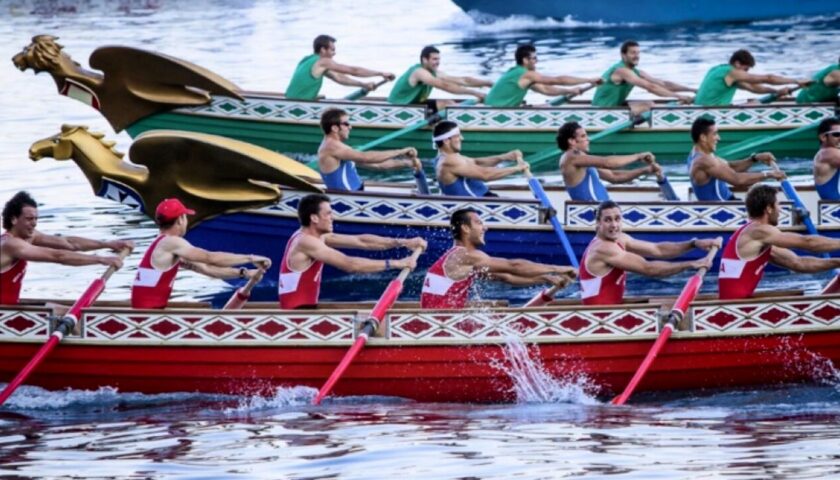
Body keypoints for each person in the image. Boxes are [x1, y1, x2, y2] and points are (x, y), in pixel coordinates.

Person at [279, 193, 427, 309]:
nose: (333, 218)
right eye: (328, 214)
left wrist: (404, 242)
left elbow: (361, 241)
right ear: (314, 218)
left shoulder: (319, 237)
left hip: (306, 311)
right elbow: (349, 264)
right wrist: (398, 263)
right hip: (297, 316)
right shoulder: (306, 241)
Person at [420, 208, 576, 309]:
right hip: (442, 326)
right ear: (465, 228)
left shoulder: (457, 258)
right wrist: (560, 268)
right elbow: (513, 266)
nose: (485, 228)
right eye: (479, 223)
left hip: (439, 322)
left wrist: (546, 278)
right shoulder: (464, 255)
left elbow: (506, 277)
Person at [131, 198, 270, 309]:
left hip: (148, 310)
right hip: (148, 314)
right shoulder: (171, 243)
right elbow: (210, 258)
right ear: (180, 219)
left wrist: (244, 273)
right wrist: (250, 258)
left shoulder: (164, 245)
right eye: (185, 217)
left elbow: (207, 269)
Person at [1, 191, 132, 305]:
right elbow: (57, 256)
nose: (34, 223)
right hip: (5, 314)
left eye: (36, 219)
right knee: (59, 311)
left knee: (57, 309)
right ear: (13, 219)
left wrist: (107, 244)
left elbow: (68, 243)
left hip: (10, 307)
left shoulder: (29, 236)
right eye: (29, 219)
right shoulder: (11, 244)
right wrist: (101, 260)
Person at [580, 200, 721, 305]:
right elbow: (649, 269)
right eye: (608, 220)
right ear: (598, 223)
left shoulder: (620, 238)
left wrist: (693, 243)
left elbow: (657, 250)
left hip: (612, 311)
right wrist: (691, 264)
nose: (614, 225)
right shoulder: (603, 248)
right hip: (600, 318)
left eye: (617, 219)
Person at [718, 184, 840, 300]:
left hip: (735, 306)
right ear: (769, 209)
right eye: (778, 205)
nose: (780, 210)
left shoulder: (753, 237)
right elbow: (808, 242)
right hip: (736, 311)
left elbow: (798, 263)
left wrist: (837, 262)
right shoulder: (759, 231)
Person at [556, 121, 663, 201]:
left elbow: (614, 176)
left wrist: (645, 170)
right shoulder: (571, 157)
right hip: (591, 215)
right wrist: (638, 156)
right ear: (572, 141)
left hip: (602, 212)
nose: (588, 139)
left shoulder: (581, 160)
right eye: (583, 136)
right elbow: (607, 163)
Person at [318, 108, 420, 191]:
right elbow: (366, 157)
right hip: (348, 201)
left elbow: (379, 165)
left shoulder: (341, 148)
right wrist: (400, 151)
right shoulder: (331, 147)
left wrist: (408, 163)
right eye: (346, 124)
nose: (350, 127)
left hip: (356, 195)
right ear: (334, 128)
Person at [688, 117, 786, 201]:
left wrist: (755, 158)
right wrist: (769, 174)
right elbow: (737, 180)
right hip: (722, 210)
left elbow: (731, 167)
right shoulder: (703, 160)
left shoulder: (699, 153)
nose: (719, 138)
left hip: (729, 202)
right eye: (715, 134)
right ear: (703, 137)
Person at [432, 121, 529, 197]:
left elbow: (476, 162)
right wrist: (516, 168)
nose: (462, 138)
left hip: (484, 199)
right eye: (457, 136)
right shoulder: (448, 161)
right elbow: (485, 175)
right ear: (446, 141)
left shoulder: (451, 156)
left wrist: (504, 157)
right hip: (474, 208)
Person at [484, 44, 601, 107]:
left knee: (545, 106)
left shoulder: (518, 73)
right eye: (534, 58)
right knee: (545, 107)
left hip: (495, 109)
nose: (537, 61)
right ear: (525, 60)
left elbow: (546, 89)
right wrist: (589, 79)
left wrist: (569, 91)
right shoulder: (526, 74)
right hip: (494, 113)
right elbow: (557, 80)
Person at [285, 34, 395, 100]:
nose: (334, 53)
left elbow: (339, 78)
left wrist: (363, 85)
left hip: (291, 101)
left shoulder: (306, 60)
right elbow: (353, 71)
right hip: (299, 105)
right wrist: (381, 73)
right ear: (323, 50)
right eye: (332, 50)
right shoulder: (323, 61)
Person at [591, 40, 695, 107]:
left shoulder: (636, 72)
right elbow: (650, 87)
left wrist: (692, 90)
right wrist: (679, 97)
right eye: (633, 53)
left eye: (638, 53)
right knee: (650, 106)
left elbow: (662, 84)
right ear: (623, 55)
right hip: (601, 110)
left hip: (614, 107)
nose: (637, 56)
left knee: (649, 104)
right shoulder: (621, 71)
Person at [387, 45, 491, 110]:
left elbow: (463, 80)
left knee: (449, 103)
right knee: (448, 106)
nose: (438, 62)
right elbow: (444, 86)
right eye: (434, 59)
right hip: (397, 108)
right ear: (424, 59)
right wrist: (475, 93)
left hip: (414, 104)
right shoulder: (419, 72)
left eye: (438, 59)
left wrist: (488, 83)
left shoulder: (434, 72)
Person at [694, 49, 811, 106]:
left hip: (704, 111)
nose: (746, 73)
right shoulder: (732, 72)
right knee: (755, 104)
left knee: (754, 102)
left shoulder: (718, 70)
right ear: (737, 63)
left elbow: (753, 88)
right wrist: (796, 80)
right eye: (746, 69)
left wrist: (776, 91)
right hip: (711, 115)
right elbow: (768, 78)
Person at [814, 117, 840, 200]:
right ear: (823, 137)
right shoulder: (829, 153)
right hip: (836, 209)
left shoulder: (821, 153)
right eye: (836, 134)